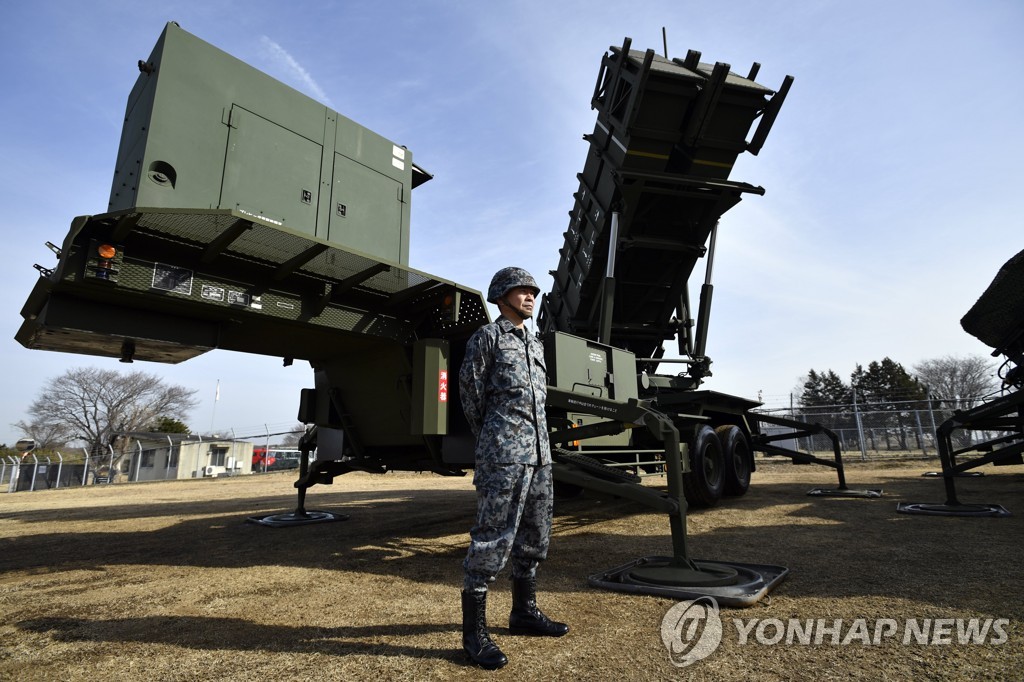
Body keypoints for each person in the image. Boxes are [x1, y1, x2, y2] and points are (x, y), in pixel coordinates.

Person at [458, 266, 569, 670]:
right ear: (502, 296)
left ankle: (523, 613)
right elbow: (471, 396)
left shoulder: (535, 343)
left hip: (540, 457)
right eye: (522, 291)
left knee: (535, 538)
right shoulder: (487, 339)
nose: (530, 297)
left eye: (533, 292)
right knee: (491, 540)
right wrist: (498, 438)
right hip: (503, 457)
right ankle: (475, 634)